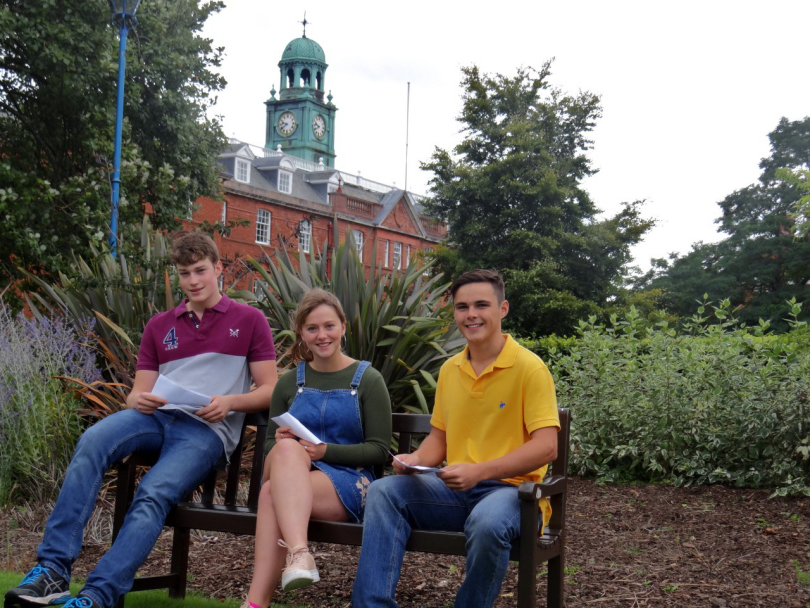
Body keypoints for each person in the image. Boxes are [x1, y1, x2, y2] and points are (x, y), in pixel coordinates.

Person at [5, 232, 278, 608]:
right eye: (185, 273)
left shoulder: (250, 320)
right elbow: (137, 392)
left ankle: (97, 596)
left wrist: (232, 402)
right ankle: (52, 571)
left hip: (206, 430)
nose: (193, 281)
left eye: (201, 271)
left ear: (218, 269)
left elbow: (270, 390)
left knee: (154, 492)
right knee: (92, 442)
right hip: (155, 418)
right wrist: (140, 398)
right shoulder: (159, 326)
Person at [352, 269, 560, 608]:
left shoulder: (529, 368)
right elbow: (439, 440)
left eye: (481, 305)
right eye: (462, 307)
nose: (471, 314)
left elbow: (546, 446)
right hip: (456, 492)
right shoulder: (450, 369)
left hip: (515, 496)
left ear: (502, 309)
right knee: (384, 491)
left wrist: (479, 471)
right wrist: (415, 460)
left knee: (488, 522)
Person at [241, 288, 391, 608]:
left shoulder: (368, 380)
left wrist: (326, 452)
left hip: (353, 481)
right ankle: (299, 555)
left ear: (343, 327)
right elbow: (269, 453)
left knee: (272, 493)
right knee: (282, 456)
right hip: (295, 477)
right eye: (312, 328)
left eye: (329, 326)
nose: (322, 336)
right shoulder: (287, 383)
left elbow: (379, 451)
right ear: (301, 334)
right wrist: (282, 444)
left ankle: (258, 601)